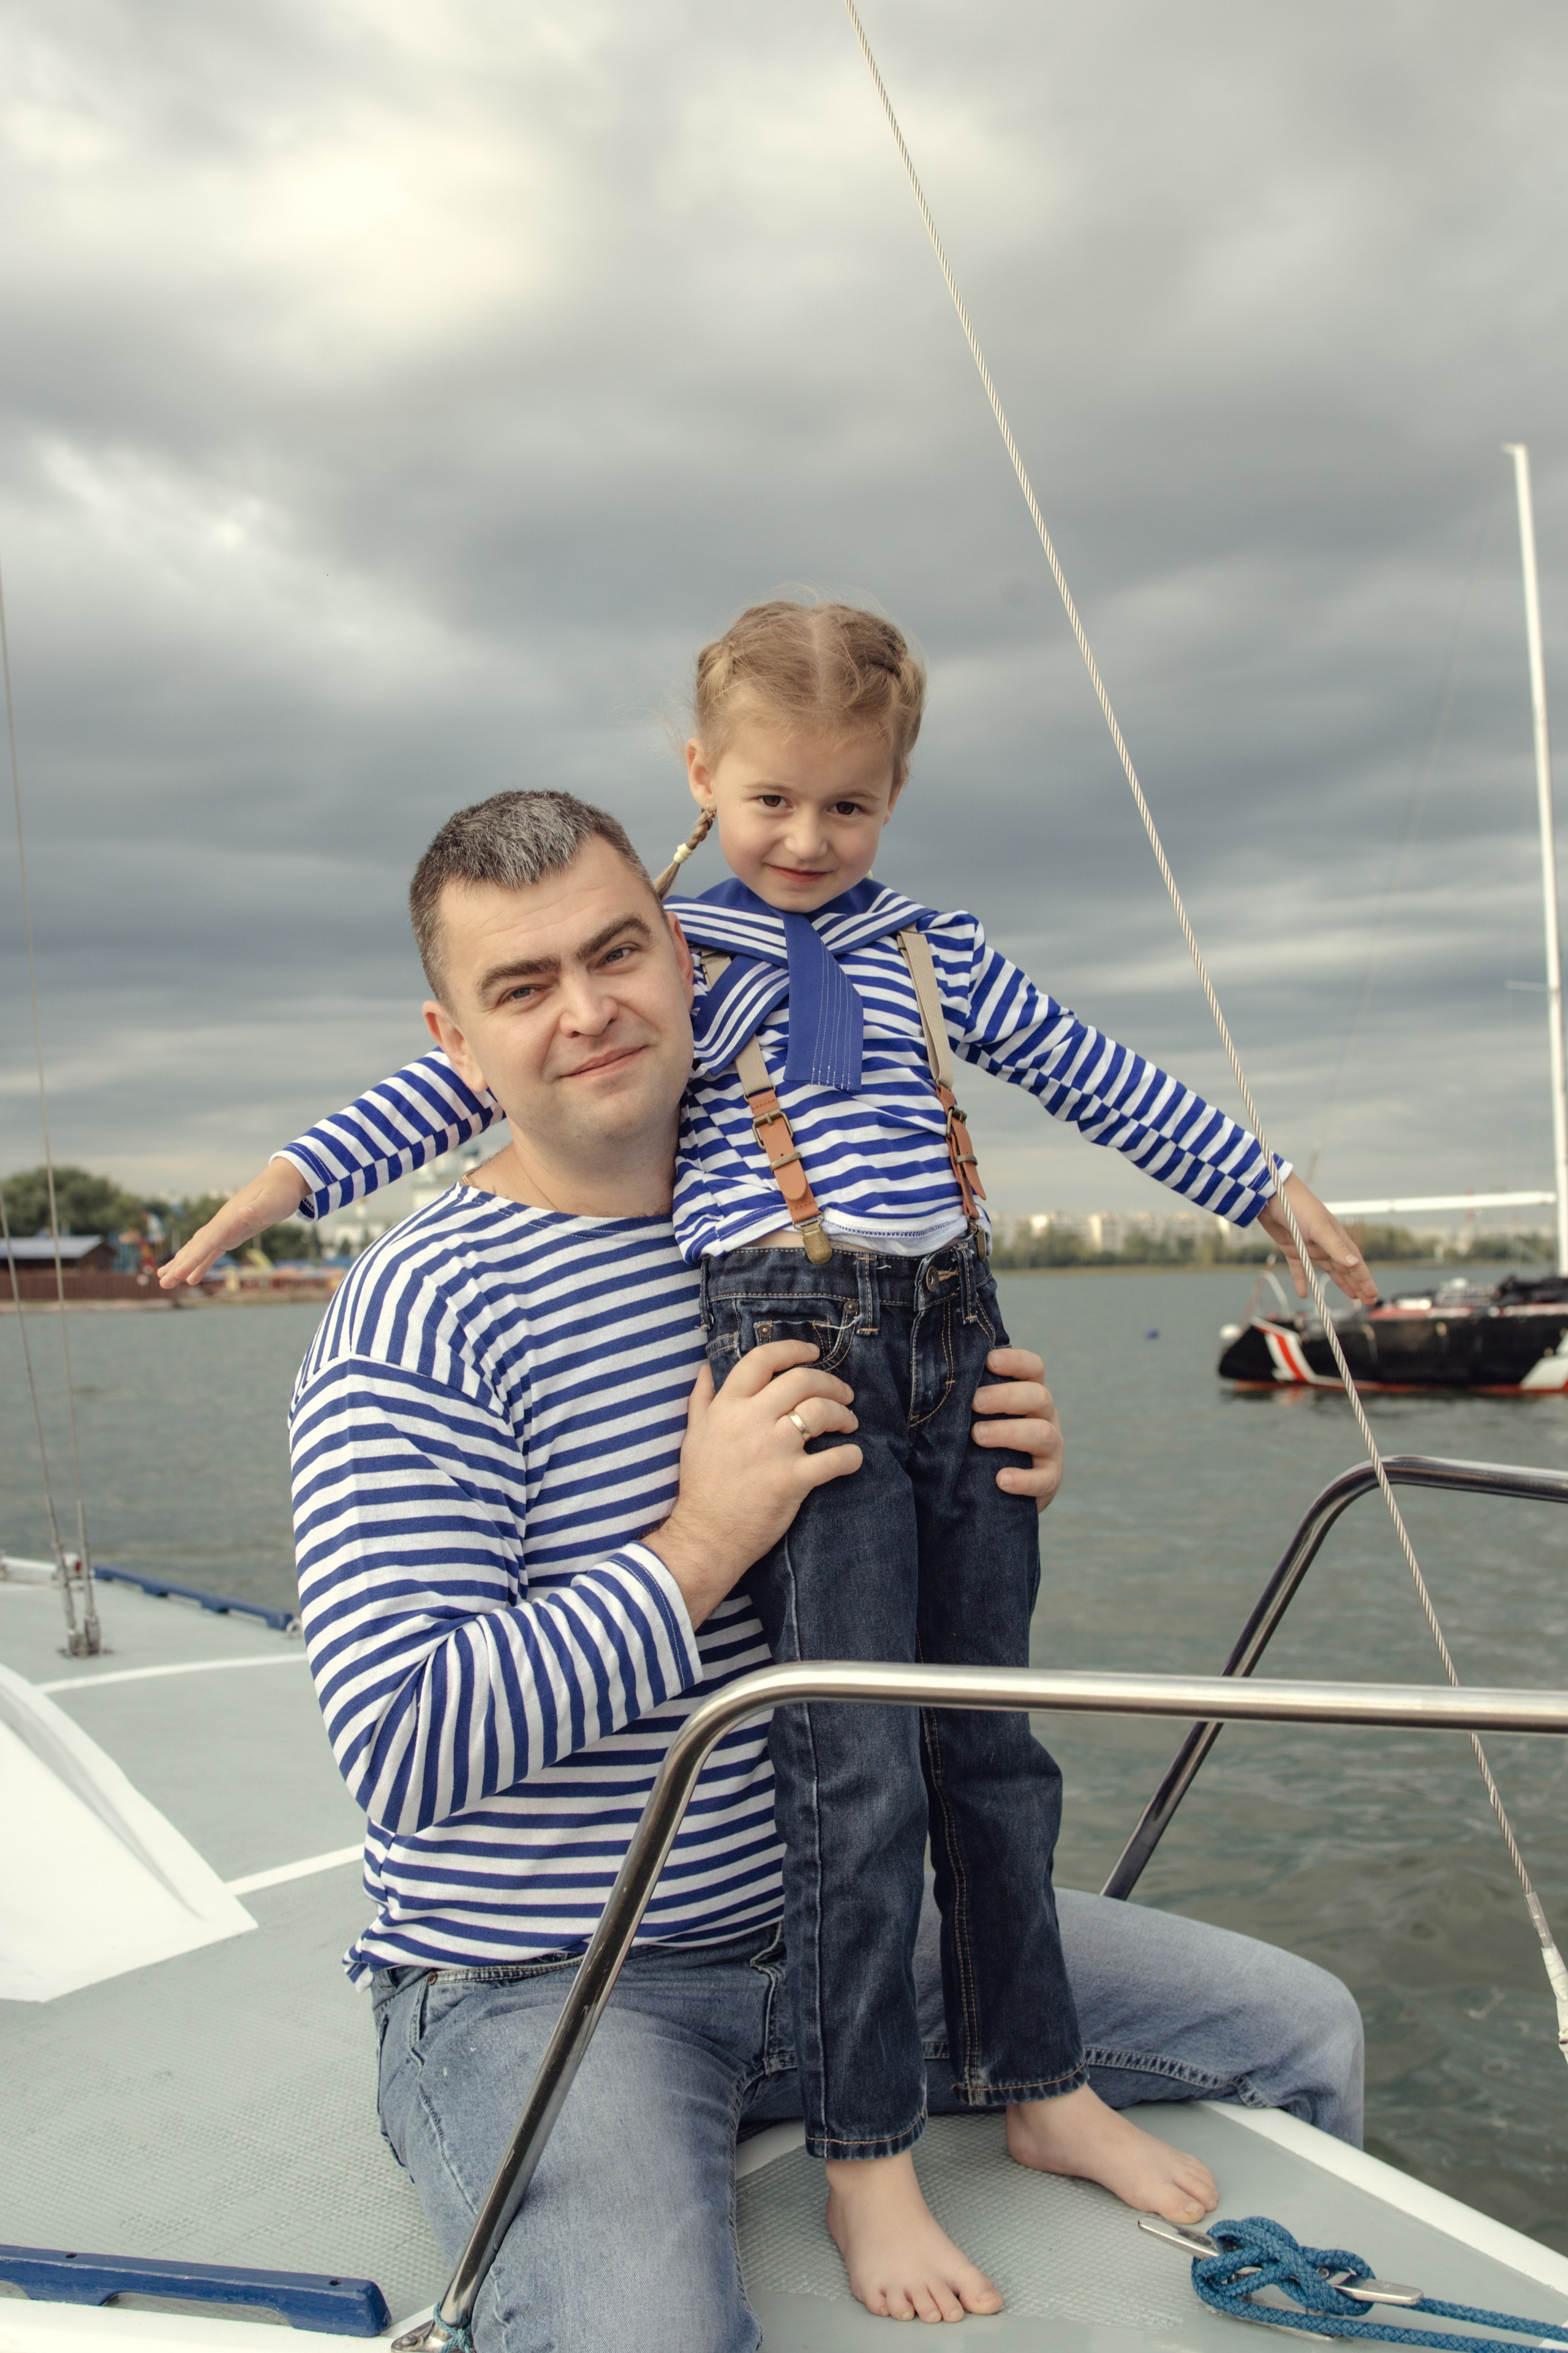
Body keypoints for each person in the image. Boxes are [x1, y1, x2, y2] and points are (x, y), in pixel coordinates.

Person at [167, 614, 1372, 2328]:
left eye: (617, 954)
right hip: (558, 1984)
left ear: (682, 953)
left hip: (848, 1928)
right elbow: (399, 1742)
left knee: (1304, 2028)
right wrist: (696, 1541)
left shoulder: (773, 1224)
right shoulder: (418, 1314)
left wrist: (992, 1443)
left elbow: (1082, 1081)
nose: (587, 1013)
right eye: (524, 987)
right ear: (457, 1037)